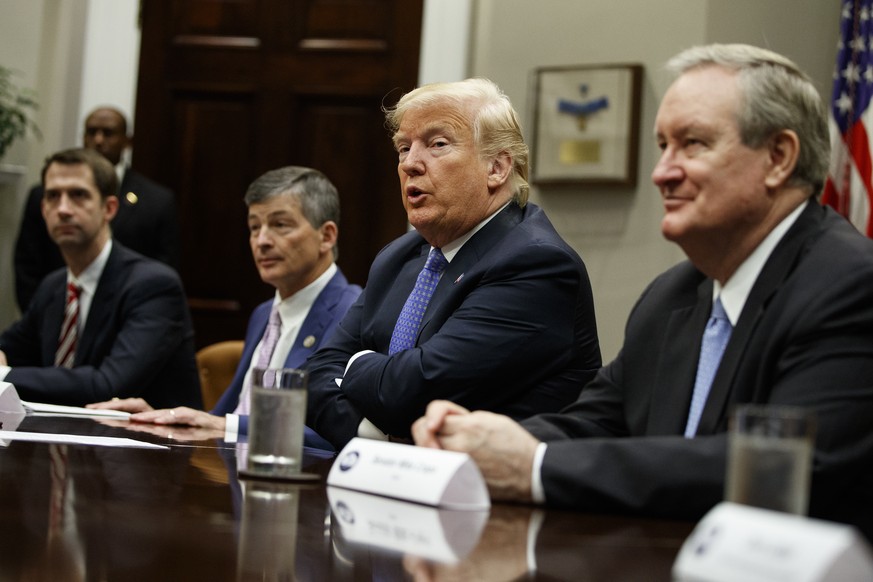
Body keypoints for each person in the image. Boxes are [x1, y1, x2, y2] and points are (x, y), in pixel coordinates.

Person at [412, 44, 873, 535]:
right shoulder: (672, 296)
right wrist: (475, 444)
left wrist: (534, 467)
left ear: (778, 158)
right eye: (662, 146)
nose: (662, 173)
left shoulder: (849, 284)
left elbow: (779, 470)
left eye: (692, 144)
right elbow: (592, 424)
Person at [305, 77, 602, 450]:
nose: (410, 164)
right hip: (390, 482)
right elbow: (314, 375)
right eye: (403, 148)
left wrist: (356, 364)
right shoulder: (400, 257)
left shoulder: (537, 263)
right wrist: (375, 437)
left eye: (437, 144)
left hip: (494, 499)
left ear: (497, 168)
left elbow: (408, 394)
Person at [88, 166, 361, 443]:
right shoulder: (264, 314)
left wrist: (222, 425)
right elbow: (224, 416)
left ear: (326, 236)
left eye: (280, 225)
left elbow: (332, 432)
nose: (262, 241)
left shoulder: (351, 313)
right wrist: (160, 416)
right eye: (255, 227)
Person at [0, 148, 200, 409]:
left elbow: (108, 385)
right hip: (67, 439)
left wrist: (4, 375)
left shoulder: (154, 285)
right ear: (43, 208)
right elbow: (10, 346)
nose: (63, 209)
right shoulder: (54, 286)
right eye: (53, 196)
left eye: (78, 195)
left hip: (152, 445)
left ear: (109, 208)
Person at [14, 106, 180, 311]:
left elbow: (163, 265)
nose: (99, 140)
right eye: (91, 132)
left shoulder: (157, 201)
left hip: (127, 312)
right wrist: (41, 320)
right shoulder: (52, 285)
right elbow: (27, 265)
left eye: (108, 133)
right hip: (56, 313)